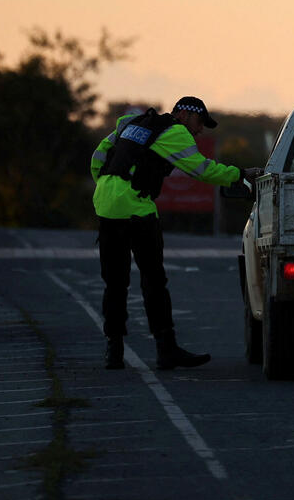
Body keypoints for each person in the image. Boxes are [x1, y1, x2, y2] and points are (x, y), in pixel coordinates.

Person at [91, 96, 260, 369]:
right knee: (154, 280)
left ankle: (114, 350)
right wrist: (240, 174)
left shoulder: (130, 123)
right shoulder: (175, 132)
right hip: (137, 208)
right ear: (183, 114)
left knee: (115, 281)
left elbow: (98, 157)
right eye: (199, 122)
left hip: (105, 204)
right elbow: (202, 170)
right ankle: (166, 349)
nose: (200, 130)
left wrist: (105, 186)